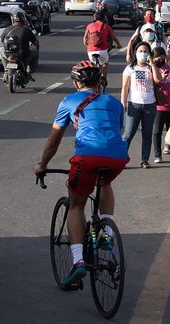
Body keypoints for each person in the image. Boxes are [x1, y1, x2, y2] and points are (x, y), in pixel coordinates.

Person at [34, 61, 129, 285]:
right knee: (104, 182)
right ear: (99, 82)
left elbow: (53, 142)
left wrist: (42, 165)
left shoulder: (68, 101)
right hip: (117, 157)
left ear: (76, 83)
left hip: (87, 156)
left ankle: (77, 262)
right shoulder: (115, 103)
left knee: (76, 204)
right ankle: (107, 231)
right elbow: (113, 130)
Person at [121, 41, 162, 168]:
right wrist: (123, 103)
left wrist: (153, 65)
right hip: (134, 104)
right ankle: (121, 158)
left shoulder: (151, 67)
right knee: (128, 133)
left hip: (150, 104)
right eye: (140, 51)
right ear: (135, 53)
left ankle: (144, 160)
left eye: (145, 51)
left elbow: (158, 80)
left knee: (147, 134)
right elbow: (125, 87)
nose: (143, 54)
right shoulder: (130, 68)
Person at [151, 47, 170, 164]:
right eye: (157, 57)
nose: (160, 59)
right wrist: (161, 77)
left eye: (162, 56)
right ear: (153, 59)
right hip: (159, 107)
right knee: (157, 131)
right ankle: (157, 155)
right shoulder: (152, 69)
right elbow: (155, 82)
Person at [0, 12, 39, 78]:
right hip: (23, 54)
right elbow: (35, 42)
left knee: (1, 50)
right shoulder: (27, 29)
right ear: (23, 19)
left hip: (8, 53)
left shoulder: (7, 29)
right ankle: (30, 71)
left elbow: (1, 39)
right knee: (35, 53)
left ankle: (6, 70)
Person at [83, 10, 122, 76]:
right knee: (105, 63)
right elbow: (114, 38)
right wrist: (119, 45)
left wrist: (87, 45)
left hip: (91, 51)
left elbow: (85, 39)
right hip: (102, 50)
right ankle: (102, 75)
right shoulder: (106, 27)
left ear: (95, 17)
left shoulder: (89, 26)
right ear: (104, 18)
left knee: (92, 64)